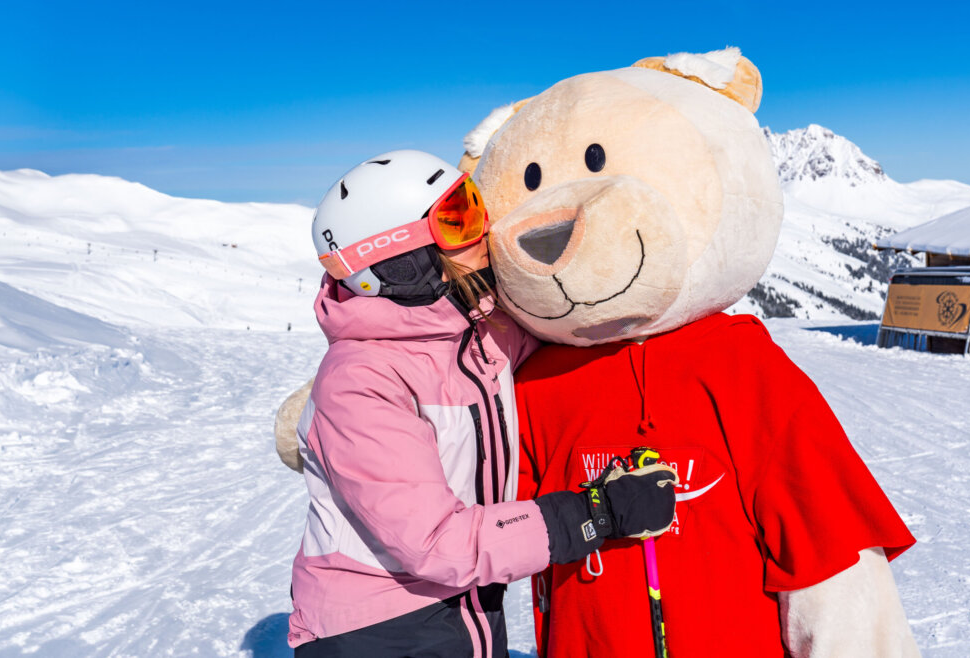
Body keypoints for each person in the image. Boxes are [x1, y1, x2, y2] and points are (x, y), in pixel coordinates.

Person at [287, 150, 678, 657]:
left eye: (473, 203)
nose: (484, 228)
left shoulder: (477, 333)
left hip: (465, 601)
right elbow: (435, 544)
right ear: (402, 264)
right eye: (457, 220)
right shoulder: (360, 382)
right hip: (376, 629)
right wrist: (593, 513)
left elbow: (561, 336)